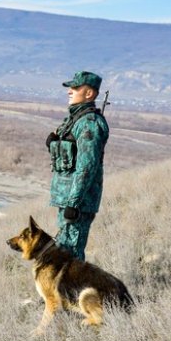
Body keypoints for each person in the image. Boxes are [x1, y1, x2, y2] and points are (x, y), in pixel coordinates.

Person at [46, 70, 109, 261]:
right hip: (67, 201)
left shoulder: (89, 123)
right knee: (63, 255)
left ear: (89, 93)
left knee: (71, 258)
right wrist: (53, 144)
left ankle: (75, 291)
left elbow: (86, 167)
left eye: (75, 87)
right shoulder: (75, 120)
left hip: (77, 204)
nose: (69, 91)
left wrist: (73, 203)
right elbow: (70, 157)